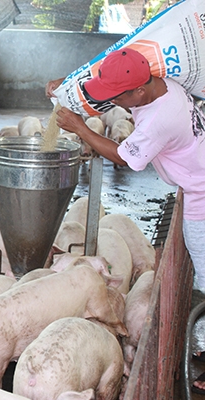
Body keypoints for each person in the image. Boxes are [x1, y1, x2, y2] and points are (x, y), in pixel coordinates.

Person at [46, 48, 205, 393]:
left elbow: (121, 156)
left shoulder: (160, 118)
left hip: (202, 196)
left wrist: (79, 128)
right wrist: (67, 90)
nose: (114, 102)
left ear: (138, 92)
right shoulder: (161, 84)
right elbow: (103, 89)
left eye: (118, 97)